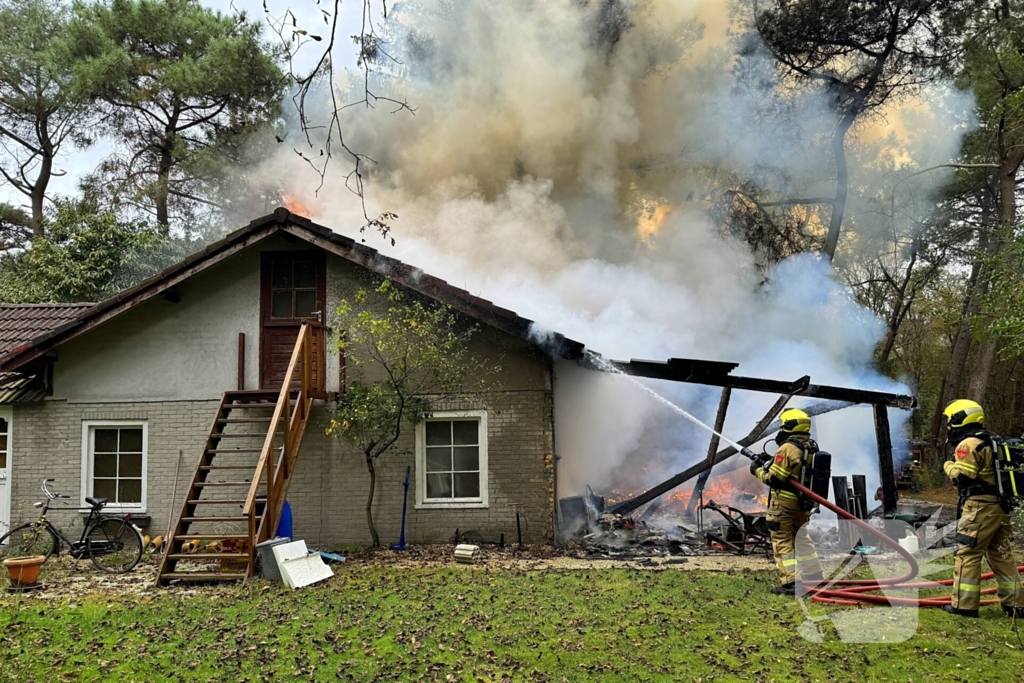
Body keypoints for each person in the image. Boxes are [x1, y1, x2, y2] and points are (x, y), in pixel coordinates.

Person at [941, 399, 1024, 618]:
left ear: (959, 419)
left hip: (980, 507)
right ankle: (1016, 604)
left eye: (950, 419)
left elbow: (962, 477)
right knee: (1001, 554)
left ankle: (964, 605)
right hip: (1001, 507)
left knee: (968, 553)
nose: (949, 424)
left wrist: (948, 466)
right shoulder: (993, 440)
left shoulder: (968, 444)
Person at [750, 408, 824, 596]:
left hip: (783, 503)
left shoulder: (787, 448)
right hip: (802, 504)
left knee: (782, 540)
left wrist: (757, 470)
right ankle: (814, 576)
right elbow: (791, 470)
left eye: (784, 425)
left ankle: (791, 582)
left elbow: (775, 479)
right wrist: (770, 461)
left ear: (790, 426)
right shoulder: (810, 446)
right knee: (801, 539)